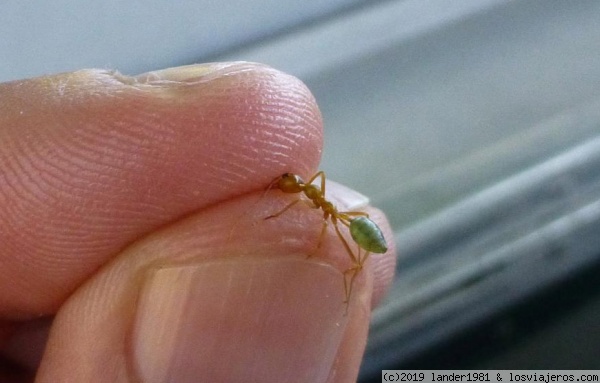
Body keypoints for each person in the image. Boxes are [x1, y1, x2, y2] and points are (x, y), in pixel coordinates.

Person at [0, 62, 396, 382]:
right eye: (289, 186)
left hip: (353, 230)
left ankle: (346, 275)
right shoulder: (312, 199)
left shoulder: (317, 205)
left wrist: (284, 213)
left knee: (341, 249)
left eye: (288, 185)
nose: (287, 189)